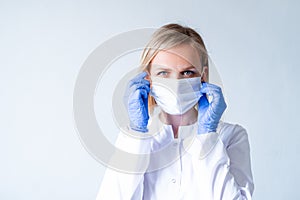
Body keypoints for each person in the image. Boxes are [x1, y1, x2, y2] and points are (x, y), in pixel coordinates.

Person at [96, 23, 254, 200]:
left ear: (203, 75)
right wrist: (136, 136)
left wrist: (207, 137)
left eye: (187, 73)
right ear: (148, 78)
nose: (176, 83)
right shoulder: (135, 140)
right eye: (163, 73)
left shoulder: (231, 136)